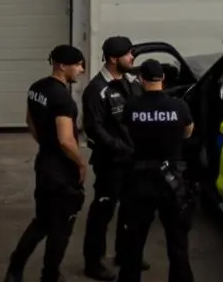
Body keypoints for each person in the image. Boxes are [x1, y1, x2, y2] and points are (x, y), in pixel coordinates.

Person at [4, 44, 89, 282]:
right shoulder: (63, 99)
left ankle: (14, 269)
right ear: (63, 66)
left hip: (44, 164)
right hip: (61, 170)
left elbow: (29, 121)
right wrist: (81, 163)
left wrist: (44, 143)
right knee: (61, 227)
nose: (81, 69)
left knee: (41, 221)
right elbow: (66, 139)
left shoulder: (36, 88)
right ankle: (50, 275)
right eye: (79, 64)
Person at [114, 61, 195, 282]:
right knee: (177, 243)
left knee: (135, 240)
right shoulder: (179, 106)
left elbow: (128, 134)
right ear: (163, 80)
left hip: (140, 180)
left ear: (141, 79)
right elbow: (187, 133)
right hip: (172, 181)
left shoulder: (132, 106)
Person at [80, 37, 143, 280]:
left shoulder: (130, 82)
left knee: (131, 208)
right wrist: (120, 147)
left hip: (133, 160)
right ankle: (93, 262)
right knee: (103, 211)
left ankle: (124, 253)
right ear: (113, 59)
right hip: (111, 163)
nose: (132, 58)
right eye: (128, 54)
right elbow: (94, 128)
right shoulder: (96, 90)